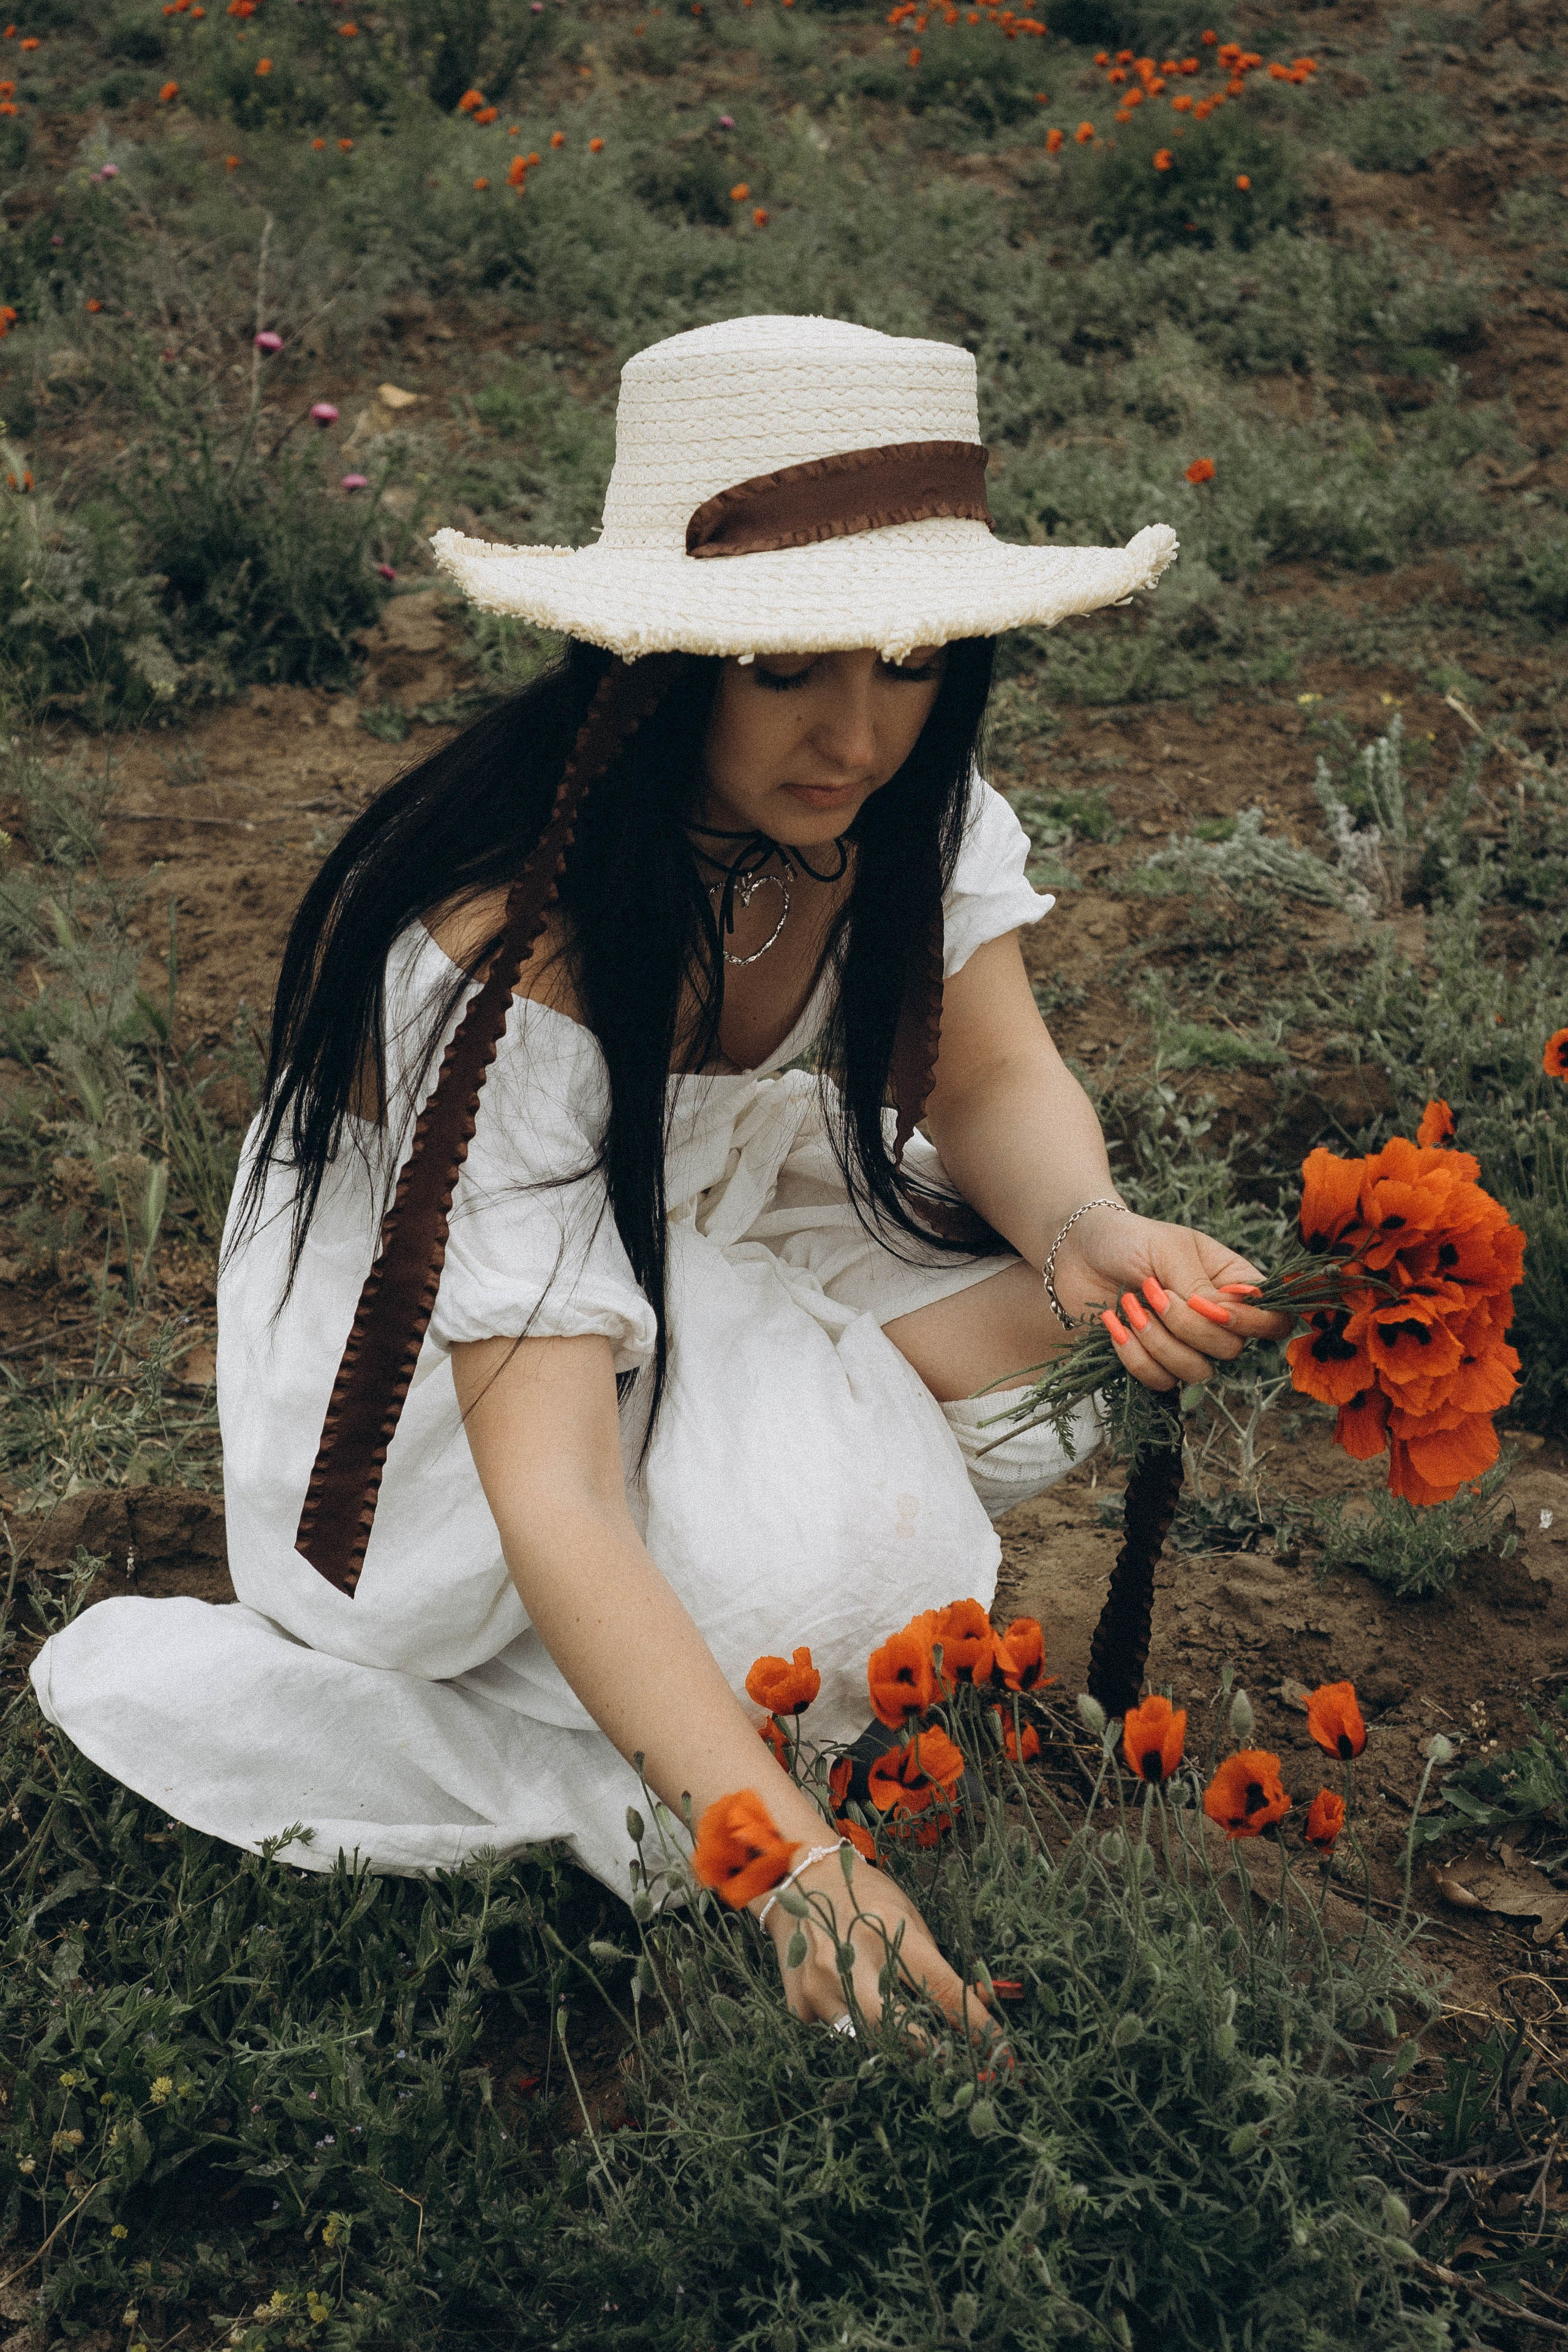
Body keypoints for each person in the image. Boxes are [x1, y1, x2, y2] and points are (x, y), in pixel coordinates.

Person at [32, 313, 1288, 2037]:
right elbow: (549, 1490)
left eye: (908, 656)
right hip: (456, 1357)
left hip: (714, 1204)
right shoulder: (516, 963)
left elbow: (988, 1067)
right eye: (785, 671)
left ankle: (804, 1388)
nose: (856, 735)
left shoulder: (903, 803)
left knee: (1082, 1349)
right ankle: (788, 1430)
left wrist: (1082, 1233)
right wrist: (783, 1853)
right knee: (820, 1600)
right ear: (659, 659)